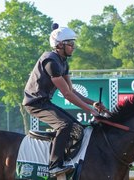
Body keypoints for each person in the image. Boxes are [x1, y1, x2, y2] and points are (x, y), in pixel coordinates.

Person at [22, 23, 106, 176]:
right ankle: (54, 166)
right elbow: (67, 95)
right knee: (65, 124)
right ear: (60, 45)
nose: (73, 46)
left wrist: (92, 103)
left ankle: (65, 157)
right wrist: (91, 111)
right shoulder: (51, 62)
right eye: (71, 43)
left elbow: (72, 90)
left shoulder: (63, 63)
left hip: (44, 102)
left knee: (77, 127)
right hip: (34, 103)